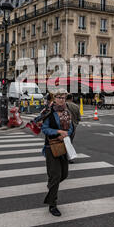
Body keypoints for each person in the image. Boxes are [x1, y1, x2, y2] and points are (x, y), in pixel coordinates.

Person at [41, 88, 73, 217]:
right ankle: (52, 204)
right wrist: (57, 132)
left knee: (64, 174)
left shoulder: (67, 112)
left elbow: (71, 127)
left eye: (63, 97)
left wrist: (66, 134)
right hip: (51, 147)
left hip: (63, 146)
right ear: (54, 99)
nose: (61, 100)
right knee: (55, 176)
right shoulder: (49, 112)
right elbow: (45, 128)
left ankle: (51, 187)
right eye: (59, 97)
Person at [66, 93, 81, 164]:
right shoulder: (76, 107)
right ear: (72, 98)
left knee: (64, 141)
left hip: (64, 126)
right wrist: (75, 124)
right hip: (73, 126)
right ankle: (69, 158)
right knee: (70, 142)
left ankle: (63, 157)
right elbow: (79, 118)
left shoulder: (63, 105)